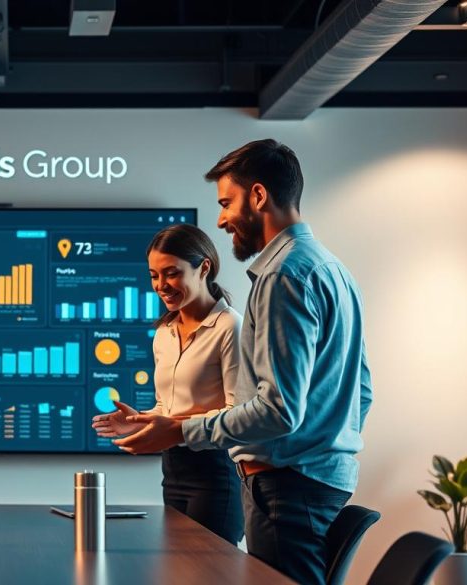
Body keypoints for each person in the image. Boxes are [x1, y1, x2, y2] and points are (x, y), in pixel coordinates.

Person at [113, 139, 373, 585]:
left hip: (287, 484)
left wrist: (178, 429)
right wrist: (325, 442)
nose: (220, 220)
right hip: (318, 479)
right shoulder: (332, 268)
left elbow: (278, 411)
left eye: (226, 203)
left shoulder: (281, 275)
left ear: (258, 196)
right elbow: (360, 390)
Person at [91, 224, 243, 545]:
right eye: (153, 275)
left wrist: (172, 426)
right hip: (173, 471)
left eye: (171, 273)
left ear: (204, 268)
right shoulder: (164, 332)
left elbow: (238, 414)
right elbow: (167, 406)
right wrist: (137, 420)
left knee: (206, 574)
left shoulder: (230, 327)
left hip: (215, 473)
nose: (161, 285)